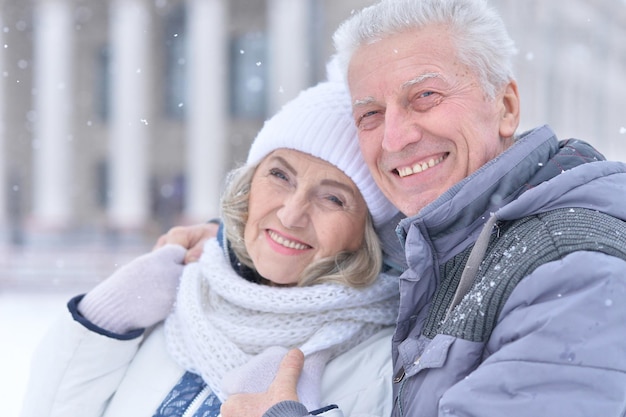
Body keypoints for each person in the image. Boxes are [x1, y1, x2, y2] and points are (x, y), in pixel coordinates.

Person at [200, 0, 626, 416]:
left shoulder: (571, 271)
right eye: (370, 113)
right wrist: (224, 245)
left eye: (425, 95)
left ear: (506, 107)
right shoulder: (442, 254)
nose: (395, 138)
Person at [19, 78, 402, 417]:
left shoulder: (387, 367)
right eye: (279, 175)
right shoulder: (172, 308)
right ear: (248, 185)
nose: (291, 214)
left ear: (367, 231)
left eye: (333, 199)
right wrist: (103, 322)